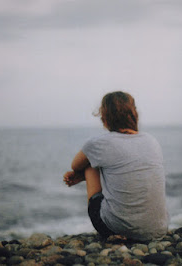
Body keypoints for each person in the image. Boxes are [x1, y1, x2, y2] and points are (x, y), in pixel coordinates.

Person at [63, 91, 168, 241]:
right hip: (157, 230)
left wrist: (82, 175)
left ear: (104, 117)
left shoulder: (98, 143)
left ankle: (116, 229)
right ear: (134, 114)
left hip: (116, 229)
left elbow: (75, 165)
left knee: (90, 165)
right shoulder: (151, 140)